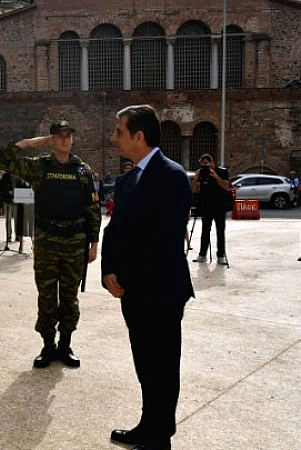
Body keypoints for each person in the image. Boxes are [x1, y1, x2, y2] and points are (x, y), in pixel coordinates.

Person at [102, 105, 194, 450]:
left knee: (163, 365)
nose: (114, 138)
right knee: (145, 362)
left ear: (138, 137)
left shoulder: (171, 176)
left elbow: (165, 240)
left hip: (161, 290)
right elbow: (113, 232)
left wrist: (126, 275)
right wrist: (108, 271)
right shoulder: (127, 178)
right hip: (132, 290)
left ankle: (161, 436)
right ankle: (148, 424)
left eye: (119, 132)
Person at [0, 119, 101, 368]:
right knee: (47, 296)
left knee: (70, 297)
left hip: (75, 242)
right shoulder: (39, 167)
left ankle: (65, 345)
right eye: (59, 135)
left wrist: (93, 243)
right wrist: (28, 143)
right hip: (47, 242)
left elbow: (92, 209)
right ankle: (48, 346)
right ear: (51, 139)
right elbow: (2, 159)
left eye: (68, 135)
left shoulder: (82, 170)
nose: (65, 139)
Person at [191, 154, 230, 265]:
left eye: (207, 164)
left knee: (220, 232)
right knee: (205, 232)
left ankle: (221, 255)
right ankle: (202, 254)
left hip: (219, 206)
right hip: (206, 206)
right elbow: (194, 189)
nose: (205, 166)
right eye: (202, 164)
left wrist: (215, 176)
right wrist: (196, 177)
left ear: (212, 162)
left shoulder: (222, 172)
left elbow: (226, 186)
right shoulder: (202, 173)